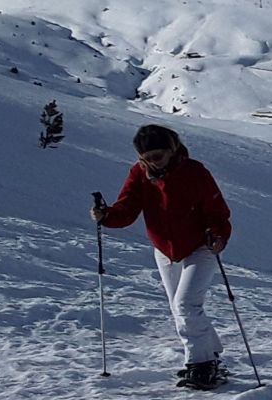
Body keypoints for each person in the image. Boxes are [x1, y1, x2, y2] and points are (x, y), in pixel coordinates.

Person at [90, 124, 233, 388]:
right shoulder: (139, 174)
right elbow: (128, 208)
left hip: (200, 246)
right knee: (180, 309)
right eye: (146, 158)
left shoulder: (195, 173)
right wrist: (107, 215)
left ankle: (200, 364)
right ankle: (210, 355)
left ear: (172, 150)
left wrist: (217, 235)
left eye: (157, 156)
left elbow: (217, 212)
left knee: (186, 305)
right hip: (165, 251)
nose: (152, 163)